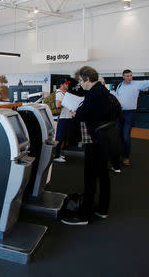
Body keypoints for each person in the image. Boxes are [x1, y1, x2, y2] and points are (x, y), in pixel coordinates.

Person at [61, 66, 111, 226]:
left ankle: (84, 215)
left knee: (90, 177)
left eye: (81, 81)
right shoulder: (102, 91)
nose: (80, 85)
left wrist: (76, 113)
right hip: (105, 138)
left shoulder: (94, 93)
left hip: (95, 140)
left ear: (87, 79)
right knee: (103, 176)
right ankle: (102, 209)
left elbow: (82, 114)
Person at [114, 69, 149, 166]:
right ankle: (117, 155)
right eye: (127, 76)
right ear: (123, 77)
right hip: (119, 113)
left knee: (126, 137)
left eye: (131, 76)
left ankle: (126, 157)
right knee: (118, 136)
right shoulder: (119, 86)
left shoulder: (137, 84)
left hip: (130, 114)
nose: (129, 77)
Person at [53, 78, 72, 163]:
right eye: (65, 84)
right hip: (62, 118)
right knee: (59, 138)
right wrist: (68, 102)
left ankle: (58, 154)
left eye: (67, 84)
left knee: (62, 137)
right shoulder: (59, 93)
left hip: (66, 117)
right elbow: (58, 104)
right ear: (61, 85)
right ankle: (56, 156)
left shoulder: (64, 93)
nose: (67, 85)